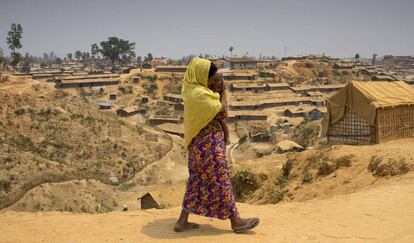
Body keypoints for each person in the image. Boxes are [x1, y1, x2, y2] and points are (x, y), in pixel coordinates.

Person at [174, 57, 260, 233]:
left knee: (196, 180)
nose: (213, 81)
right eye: (211, 78)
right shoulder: (201, 95)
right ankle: (236, 221)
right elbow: (223, 113)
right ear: (202, 76)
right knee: (221, 180)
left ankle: (182, 221)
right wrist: (223, 92)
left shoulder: (190, 89)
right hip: (209, 145)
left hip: (197, 144)